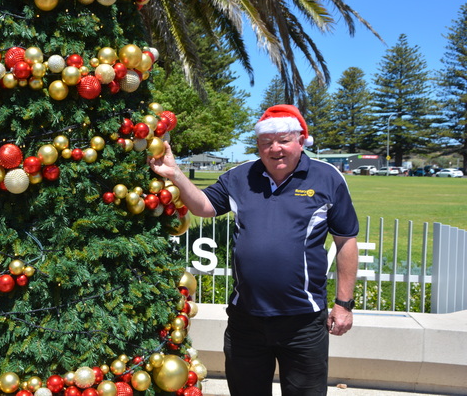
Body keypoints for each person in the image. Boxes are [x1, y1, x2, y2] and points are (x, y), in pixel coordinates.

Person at [149, 104, 359, 396]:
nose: (275, 149)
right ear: (258, 145)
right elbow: (204, 206)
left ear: (301, 140)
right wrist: (175, 173)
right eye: (266, 142)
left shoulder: (328, 177)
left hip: (303, 321)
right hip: (246, 320)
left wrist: (343, 304)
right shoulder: (240, 176)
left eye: (284, 140)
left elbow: (345, 240)